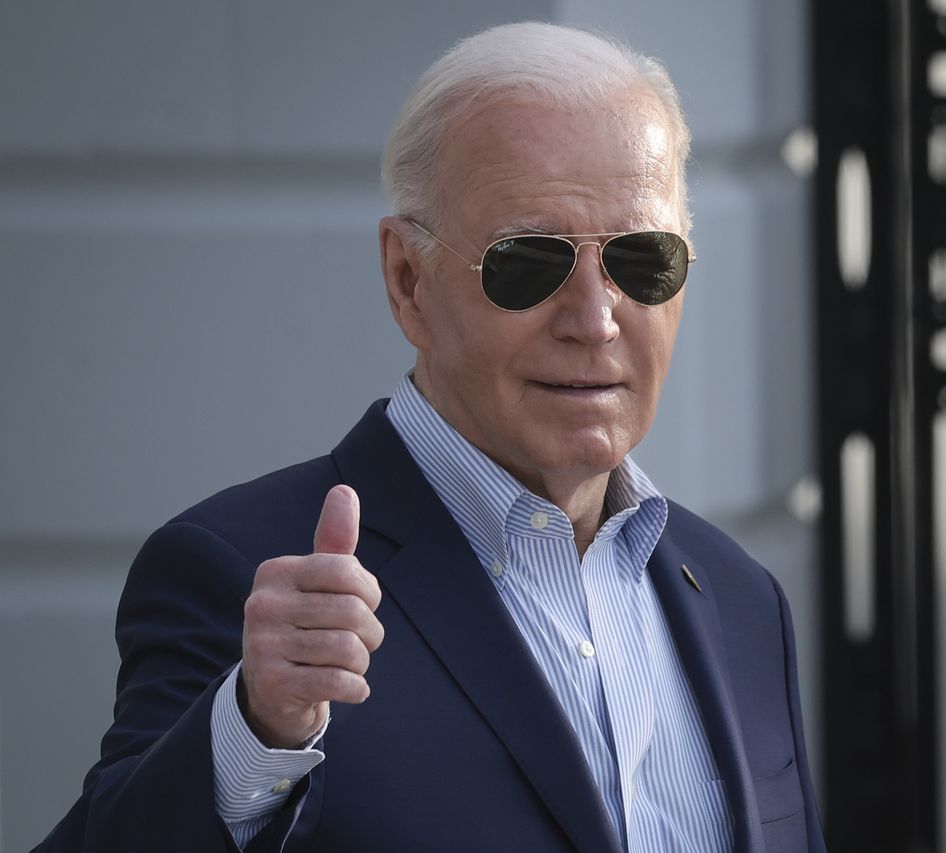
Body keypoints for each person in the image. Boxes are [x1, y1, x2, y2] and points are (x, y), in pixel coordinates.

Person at [36, 22, 824, 853]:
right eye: (529, 262)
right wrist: (253, 728)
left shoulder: (741, 600)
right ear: (407, 279)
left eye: (642, 259)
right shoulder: (246, 579)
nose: (596, 321)